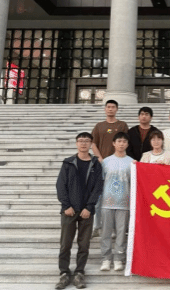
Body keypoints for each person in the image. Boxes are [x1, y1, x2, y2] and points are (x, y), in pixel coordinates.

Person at [55, 132, 103, 290]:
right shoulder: (68, 162)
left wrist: (89, 207)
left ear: (91, 144)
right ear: (76, 143)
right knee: (65, 244)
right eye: (81, 141)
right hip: (69, 210)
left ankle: (79, 272)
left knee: (84, 244)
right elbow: (60, 185)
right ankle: (64, 272)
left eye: (86, 141)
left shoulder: (96, 164)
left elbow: (98, 188)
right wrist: (66, 206)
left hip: (86, 212)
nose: (83, 143)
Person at [90, 99, 129, 237]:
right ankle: (96, 226)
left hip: (118, 166)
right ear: (105, 109)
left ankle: (114, 228)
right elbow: (93, 144)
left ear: (117, 109)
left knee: (116, 196)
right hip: (102, 166)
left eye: (113, 107)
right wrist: (100, 158)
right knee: (99, 196)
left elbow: (125, 142)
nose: (110, 109)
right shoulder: (99, 126)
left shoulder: (122, 125)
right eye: (108, 107)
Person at [100, 132, 133, 273]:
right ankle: (106, 259)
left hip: (124, 203)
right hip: (107, 202)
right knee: (106, 232)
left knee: (121, 233)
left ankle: (119, 259)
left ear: (127, 144)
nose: (121, 144)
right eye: (119, 141)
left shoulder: (132, 162)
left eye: (124, 141)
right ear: (114, 143)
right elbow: (100, 182)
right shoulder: (106, 162)